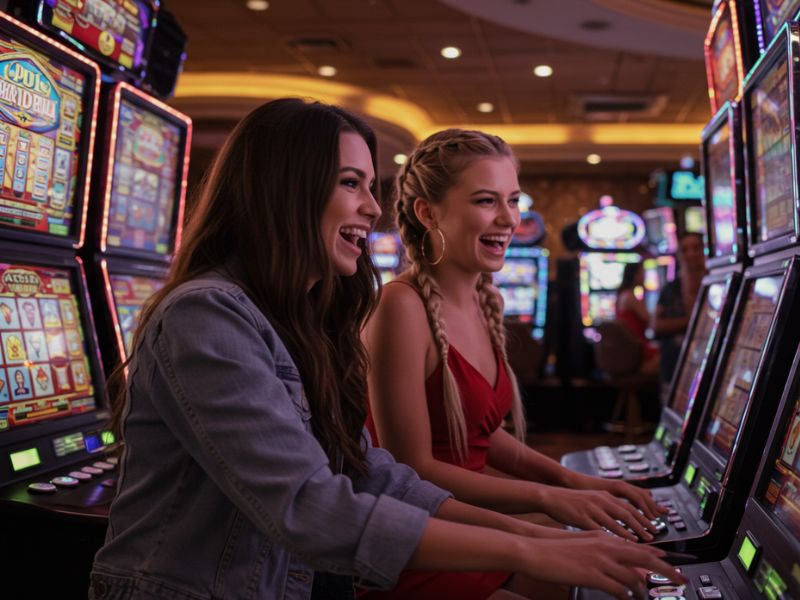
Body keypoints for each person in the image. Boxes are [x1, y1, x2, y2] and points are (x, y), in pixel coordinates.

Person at [89, 101, 682, 600]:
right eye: (352, 184)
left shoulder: (302, 319)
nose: (374, 208)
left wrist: (546, 535)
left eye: (371, 187)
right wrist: (527, 541)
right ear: (284, 191)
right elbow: (307, 506)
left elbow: (373, 472)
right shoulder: (207, 314)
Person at [363, 129, 672, 599]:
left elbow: (480, 435)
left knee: (620, 568)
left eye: (513, 200)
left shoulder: (486, 298)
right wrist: (550, 498)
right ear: (428, 212)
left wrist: (575, 481)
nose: (509, 218)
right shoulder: (399, 307)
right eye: (487, 201)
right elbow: (412, 469)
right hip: (424, 541)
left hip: (472, 517)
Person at [653, 232, 707, 388]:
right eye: (685, 250)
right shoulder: (670, 288)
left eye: (696, 248)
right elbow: (656, 326)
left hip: (707, 367)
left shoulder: (718, 283)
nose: (691, 253)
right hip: (674, 367)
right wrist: (690, 322)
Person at [615, 262, 659, 374]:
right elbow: (652, 322)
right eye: (642, 273)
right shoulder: (629, 297)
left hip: (630, 350)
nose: (645, 276)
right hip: (637, 352)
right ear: (634, 275)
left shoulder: (623, 295)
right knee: (673, 353)